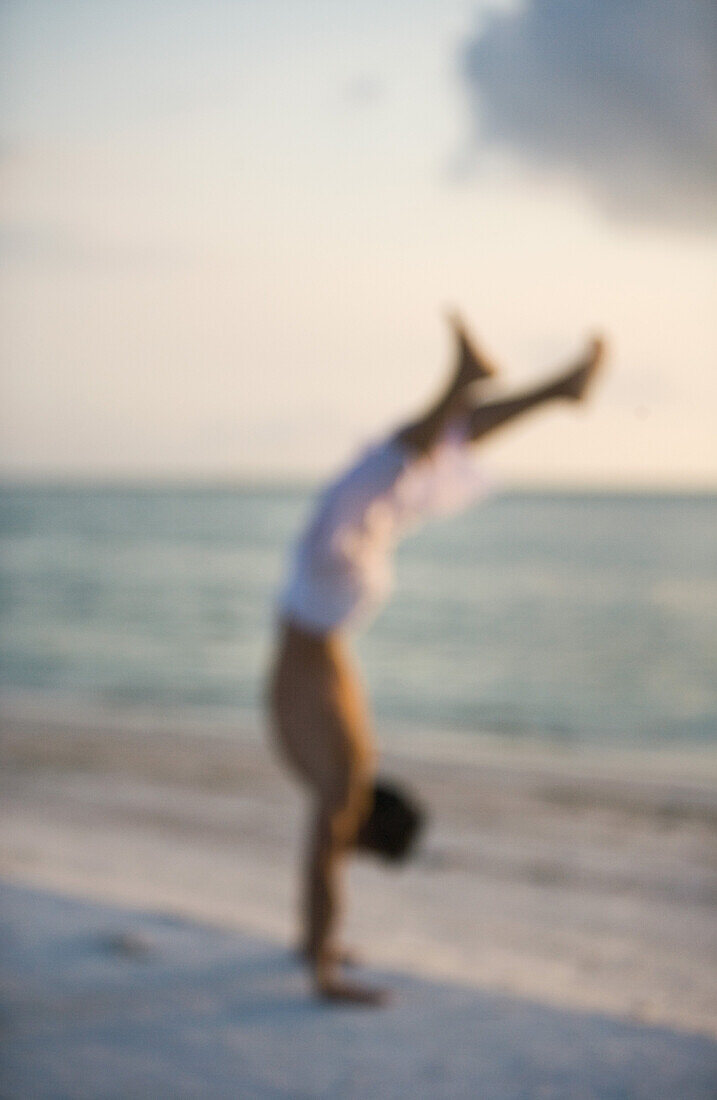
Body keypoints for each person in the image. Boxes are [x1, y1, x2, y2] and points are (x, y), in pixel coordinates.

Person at [268, 314, 605, 1004]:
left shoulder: (343, 770)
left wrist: (320, 960)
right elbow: (320, 861)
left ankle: (492, 386)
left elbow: (319, 863)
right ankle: (540, 391)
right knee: (407, 458)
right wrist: (320, 952)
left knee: (398, 460)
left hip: (324, 599)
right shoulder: (345, 763)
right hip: (323, 601)